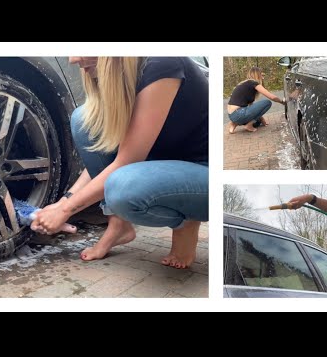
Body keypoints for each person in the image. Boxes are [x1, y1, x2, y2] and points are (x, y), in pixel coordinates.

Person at [31, 57, 208, 270]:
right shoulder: (124, 77)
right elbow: (110, 156)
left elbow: (125, 162)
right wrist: (64, 201)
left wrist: (65, 211)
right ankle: (119, 226)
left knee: (124, 187)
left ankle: (186, 221)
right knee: (84, 121)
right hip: (164, 164)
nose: (73, 59)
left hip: (204, 171)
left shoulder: (163, 62)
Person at [227, 67, 285, 133]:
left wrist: (262, 120)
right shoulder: (253, 83)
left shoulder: (245, 84)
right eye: (262, 75)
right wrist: (282, 102)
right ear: (257, 75)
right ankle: (248, 125)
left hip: (232, 115)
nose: (263, 77)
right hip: (239, 113)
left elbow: (252, 109)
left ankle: (234, 123)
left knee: (258, 123)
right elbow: (272, 97)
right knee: (267, 103)